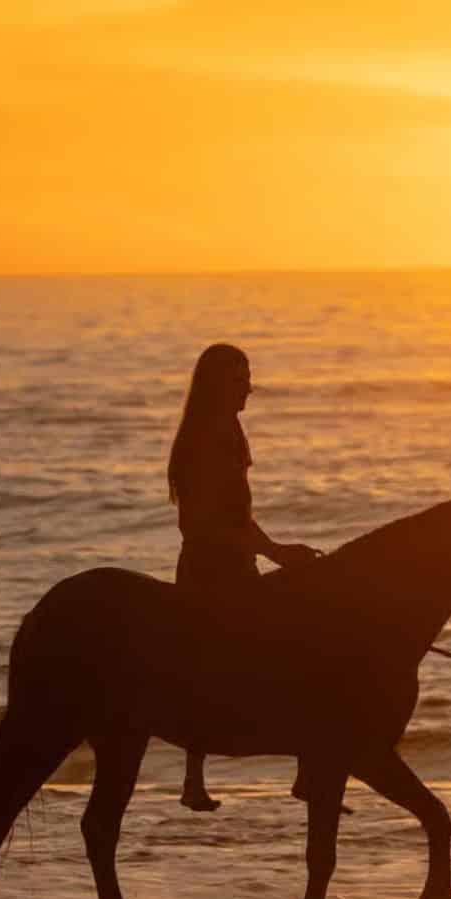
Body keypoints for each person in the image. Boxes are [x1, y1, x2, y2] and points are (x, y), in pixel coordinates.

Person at [166, 342, 319, 811]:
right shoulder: (211, 437)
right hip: (216, 568)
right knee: (300, 638)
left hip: (228, 560)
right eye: (239, 380)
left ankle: (204, 775)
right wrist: (276, 553)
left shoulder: (222, 429)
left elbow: (237, 518)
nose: (248, 389)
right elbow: (217, 522)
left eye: (247, 379)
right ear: (219, 385)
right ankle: (306, 768)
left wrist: (274, 552)